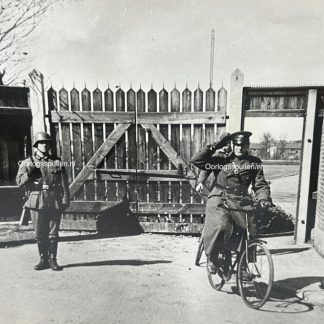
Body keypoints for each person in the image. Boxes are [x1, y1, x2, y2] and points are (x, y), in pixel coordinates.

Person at [190, 131, 271, 274]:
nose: (239, 148)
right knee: (222, 224)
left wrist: (263, 198)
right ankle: (213, 257)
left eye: (243, 145)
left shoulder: (254, 163)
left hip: (240, 200)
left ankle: (243, 265)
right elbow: (196, 160)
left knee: (248, 230)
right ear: (233, 145)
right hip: (219, 197)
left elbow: (260, 184)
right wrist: (215, 146)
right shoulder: (221, 160)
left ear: (248, 146)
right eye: (237, 145)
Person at [16, 131, 70, 271]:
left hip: (53, 200)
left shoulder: (57, 162)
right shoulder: (28, 162)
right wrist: (29, 173)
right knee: (40, 233)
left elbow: (64, 183)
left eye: (47, 143)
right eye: (41, 143)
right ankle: (43, 259)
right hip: (36, 201)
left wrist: (65, 200)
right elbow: (19, 182)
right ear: (36, 145)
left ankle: (53, 259)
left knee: (53, 233)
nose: (44, 145)